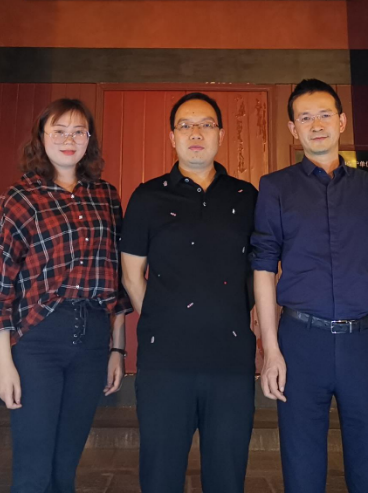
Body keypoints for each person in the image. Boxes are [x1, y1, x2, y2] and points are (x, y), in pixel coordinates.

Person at [251, 78, 368, 493]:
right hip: (301, 341)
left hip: (364, 341)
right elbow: (263, 266)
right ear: (293, 129)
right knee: (302, 470)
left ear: (341, 121)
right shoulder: (276, 187)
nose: (316, 125)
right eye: (305, 118)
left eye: (324, 115)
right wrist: (271, 349)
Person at [0, 98, 131, 493]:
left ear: (89, 140)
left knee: (66, 464)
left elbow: (116, 277)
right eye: (59, 131)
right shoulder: (20, 198)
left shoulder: (106, 196)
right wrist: (4, 364)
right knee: (33, 467)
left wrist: (117, 349)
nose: (69, 140)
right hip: (39, 339)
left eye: (78, 132)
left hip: (93, 338)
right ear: (41, 137)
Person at [120, 92, 258, 493]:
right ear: (172, 137)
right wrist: (165, 319)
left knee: (227, 477)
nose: (196, 133)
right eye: (185, 125)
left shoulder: (247, 196)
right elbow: (131, 276)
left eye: (206, 125)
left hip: (231, 361)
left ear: (220, 134)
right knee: (161, 476)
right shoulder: (147, 197)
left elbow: (261, 272)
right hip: (165, 362)